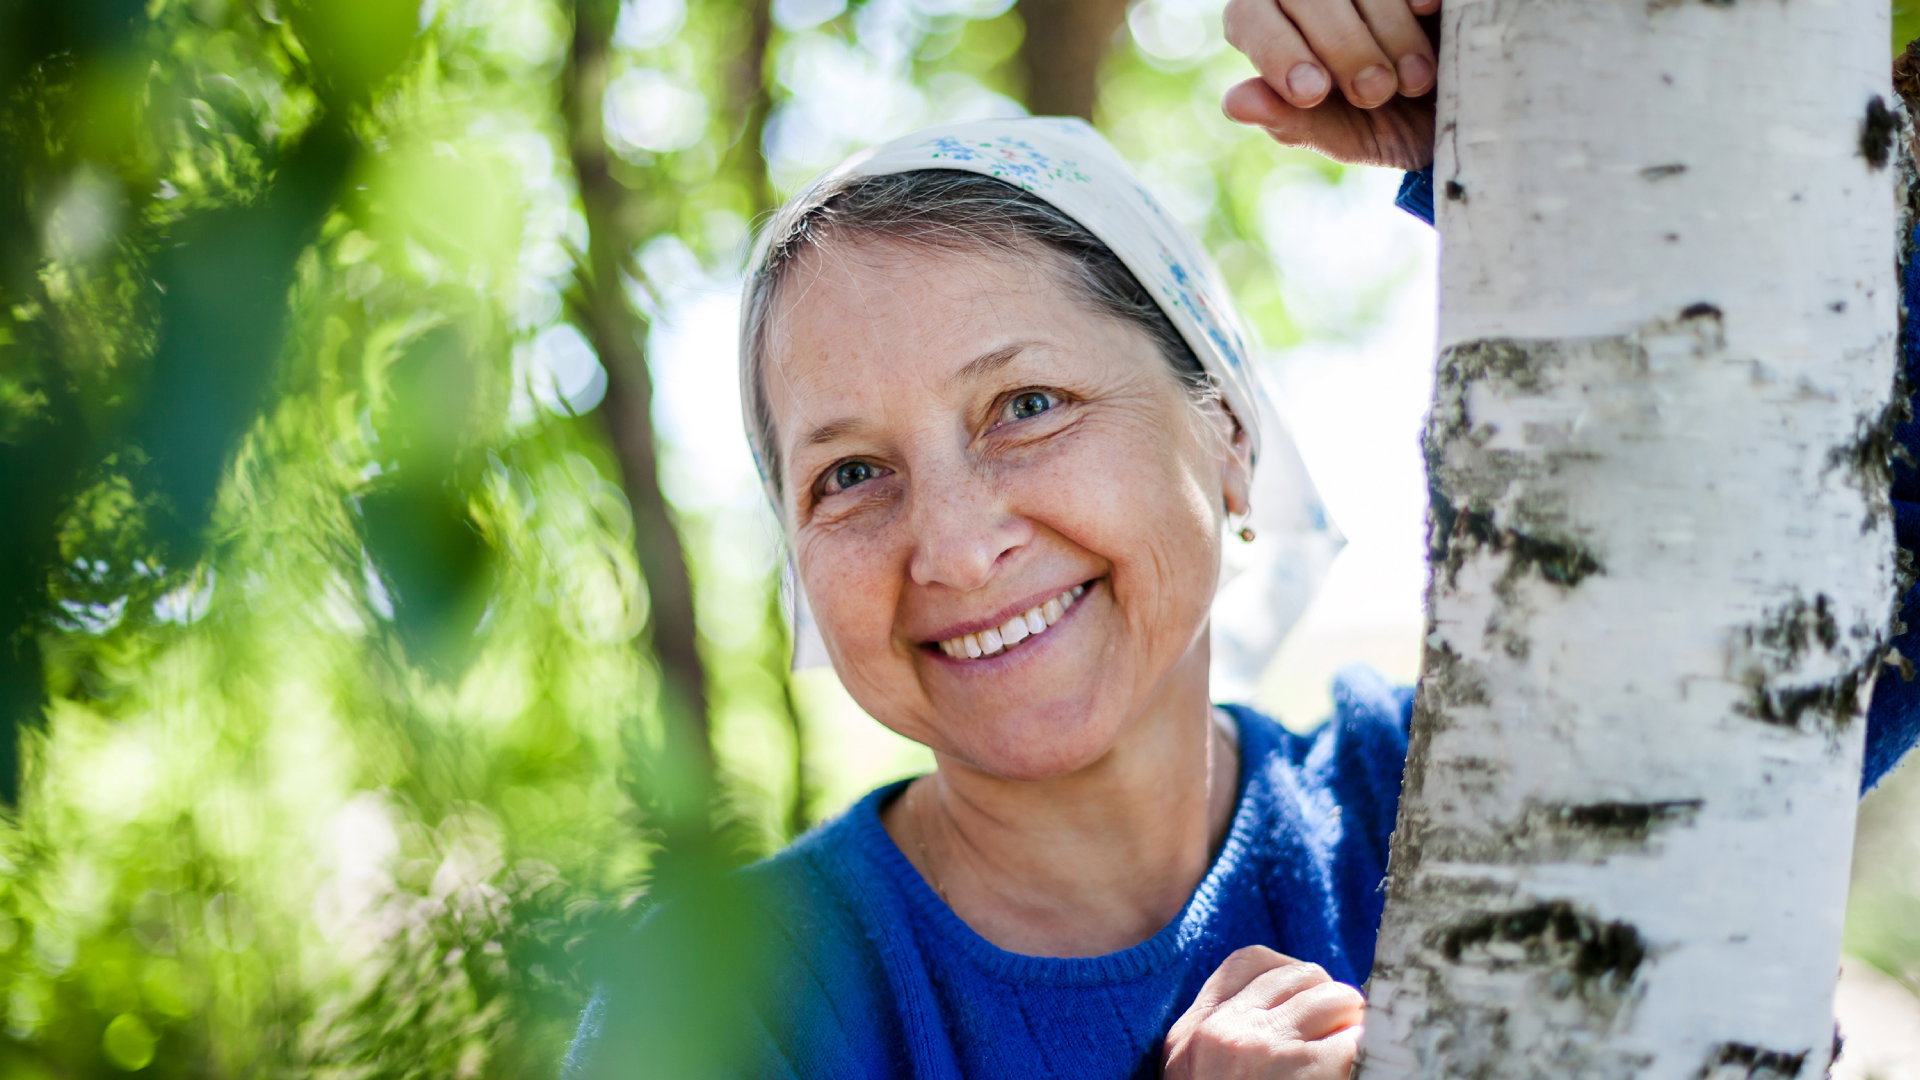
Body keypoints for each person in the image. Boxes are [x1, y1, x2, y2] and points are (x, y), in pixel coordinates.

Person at [567, 3, 1920, 1076]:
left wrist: (1510, 135)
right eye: (852, 474)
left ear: (1227, 433)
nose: (957, 549)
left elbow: (1863, 526)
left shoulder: (1471, 799)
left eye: (1026, 406)